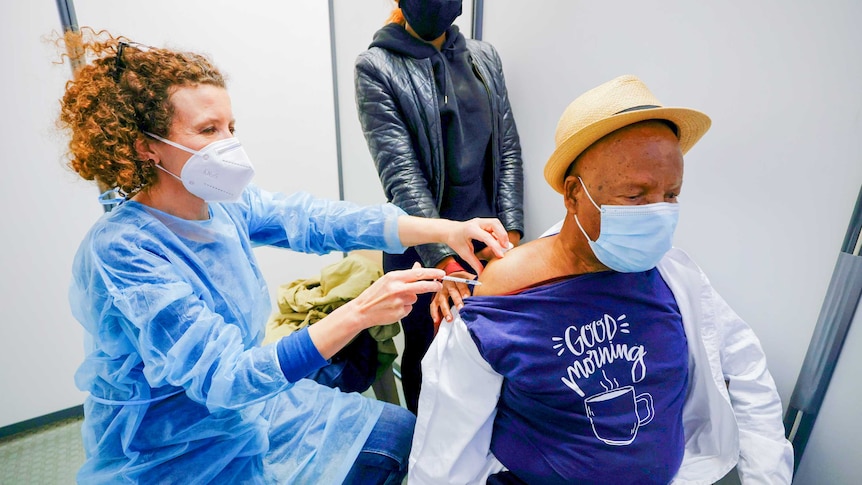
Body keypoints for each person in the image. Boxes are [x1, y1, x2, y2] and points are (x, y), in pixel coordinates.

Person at [56, 29, 510, 485]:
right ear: (146, 147)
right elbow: (226, 377)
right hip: (174, 451)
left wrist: (444, 229)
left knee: (404, 438)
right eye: (208, 130)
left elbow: (317, 221)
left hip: (254, 413)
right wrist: (360, 312)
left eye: (231, 129)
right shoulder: (123, 251)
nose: (228, 145)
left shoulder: (223, 209)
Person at [409, 75, 794, 484]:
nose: (658, 212)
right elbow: (444, 449)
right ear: (574, 194)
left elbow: (745, 368)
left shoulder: (673, 277)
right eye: (636, 195)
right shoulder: (508, 294)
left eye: (671, 195)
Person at [354, 0, 524, 413]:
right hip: (421, 248)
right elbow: (401, 175)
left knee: (485, 361)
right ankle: (423, 456)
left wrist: (511, 239)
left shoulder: (484, 57)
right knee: (430, 357)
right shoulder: (376, 67)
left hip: (489, 243)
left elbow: (507, 149)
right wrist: (446, 261)